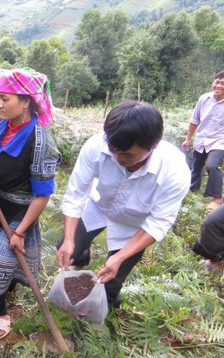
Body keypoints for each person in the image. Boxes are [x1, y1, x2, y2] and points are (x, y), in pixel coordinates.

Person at [57, 100, 190, 309]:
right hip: (99, 206)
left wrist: (120, 256)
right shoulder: (96, 145)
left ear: (153, 146)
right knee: (67, 248)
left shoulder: (174, 172)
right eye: (114, 150)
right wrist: (68, 240)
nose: (118, 158)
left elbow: (158, 222)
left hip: (135, 223)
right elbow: (76, 194)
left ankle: (100, 313)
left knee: (112, 278)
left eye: (127, 154)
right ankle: (81, 256)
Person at [0, 68, 60, 340]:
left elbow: (42, 195)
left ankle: (0, 313)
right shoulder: (1, 126)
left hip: (18, 213)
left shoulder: (41, 142)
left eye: (5, 99)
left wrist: (20, 232)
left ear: (26, 101)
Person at [182, 71, 224, 211]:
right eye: (217, 82)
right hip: (201, 138)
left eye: (223, 83)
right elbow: (195, 120)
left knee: (212, 165)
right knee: (196, 166)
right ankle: (192, 192)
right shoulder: (204, 99)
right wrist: (188, 139)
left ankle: (217, 199)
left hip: (219, 140)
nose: (219, 86)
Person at [192, 204, 224, 272]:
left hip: (210, 232)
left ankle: (209, 265)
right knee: (213, 265)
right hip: (215, 235)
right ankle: (210, 267)